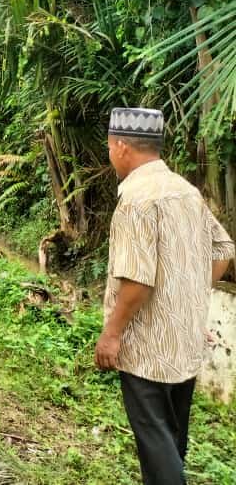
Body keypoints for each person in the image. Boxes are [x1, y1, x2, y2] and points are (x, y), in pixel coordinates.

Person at [96, 107, 233, 485]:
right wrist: (188, 298)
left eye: (110, 146)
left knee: (156, 445)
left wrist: (112, 334)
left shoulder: (136, 200)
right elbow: (223, 250)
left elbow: (138, 281)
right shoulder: (186, 191)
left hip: (147, 348)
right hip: (184, 340)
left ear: (121, 147)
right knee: (171, 441)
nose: (110, 153)